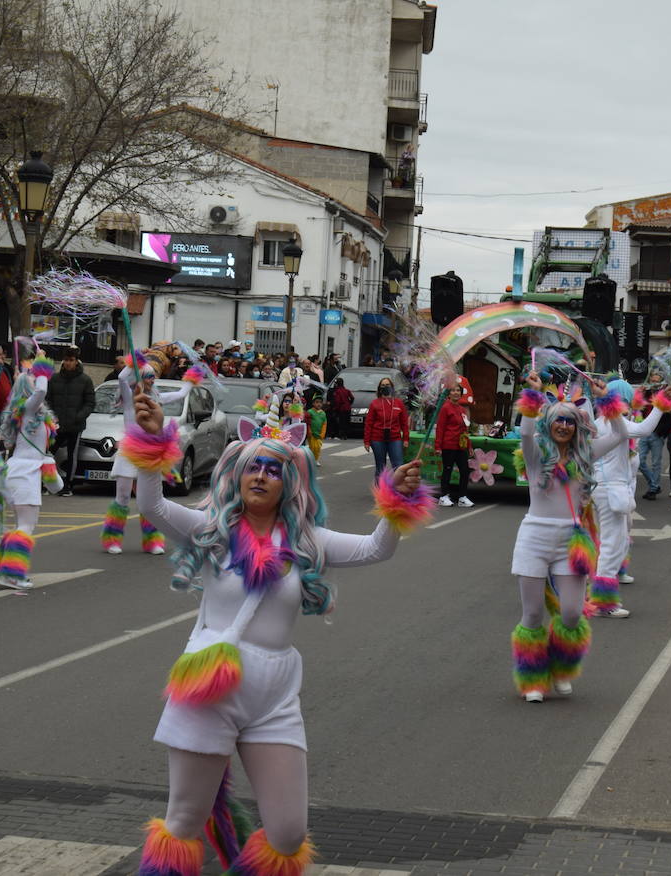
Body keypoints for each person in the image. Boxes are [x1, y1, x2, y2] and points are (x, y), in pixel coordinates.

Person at [127, 382, 429, 876]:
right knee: (185, 818)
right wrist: (151, 441)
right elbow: (153, 506)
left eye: (274, 469)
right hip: (210, 685)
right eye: (254, 467)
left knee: (288, 833)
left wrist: (397, 498)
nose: (263, 475)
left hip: (274, 694)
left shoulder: (309, 542)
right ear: (238, 475)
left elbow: (377, 549)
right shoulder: (212, 530)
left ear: (289, 483)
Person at [509, 373, 618, 703]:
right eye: (558, 420)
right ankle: (532, 679)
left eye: (570, 421)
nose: (564, 426)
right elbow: (526, 430)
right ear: (549, 424)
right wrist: (532, 392)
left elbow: (622, 433)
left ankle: (561, 669)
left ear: (577, 426)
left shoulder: (586, 456)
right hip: (534, 538)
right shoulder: (535, 456)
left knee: (571, 614)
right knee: (532, 615)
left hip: (570, 542)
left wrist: (607, 401)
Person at [585, 380, 671, 619]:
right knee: (613, 546)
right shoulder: (612, 423)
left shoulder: (600, 422)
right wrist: (660, 405)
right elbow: (644, 430)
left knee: (610, 543)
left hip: (604, 488)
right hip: (611, 489)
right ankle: (602, 602)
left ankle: (591, 590)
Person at [99, 353, 190, 558]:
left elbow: (181, 393)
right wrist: (134, 363)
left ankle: (152, 541)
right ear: (139, 378)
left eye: (152, 376)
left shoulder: (156, 398)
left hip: (148, 453)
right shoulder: (130, 397)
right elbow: (122, 377)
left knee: (147, 500)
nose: (151, 380)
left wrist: (191, 379)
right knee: (122, 496)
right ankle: (112, 539)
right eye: (147, 376)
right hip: (129, 451)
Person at [0, 352, 58, 589]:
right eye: (30, 376)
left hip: (23, 472)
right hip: (24, 473)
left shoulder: (34, 414)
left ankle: (3, 568)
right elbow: (41, 391)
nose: (35, 378)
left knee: (23, 523)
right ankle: (12, 574)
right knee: (26, 526)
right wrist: (41, 365)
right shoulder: (28, 408)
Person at [47, 347, 95, 496]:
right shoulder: (54, 379)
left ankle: (68, 485)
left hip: (75, 425)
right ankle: (48, 483)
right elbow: (48, 400)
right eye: (66, 360)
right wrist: (52, 417)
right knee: (48, 453)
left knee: (72, 455)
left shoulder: (85, 380)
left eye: (71, 360)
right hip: (57, 425)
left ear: (76, 361)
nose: (68, 363)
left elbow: (90, 402)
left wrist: (78, 416)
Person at [434, 376, 473, 508]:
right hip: (448, 445)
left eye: (458, 391)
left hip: (461, 446)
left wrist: (469, 445)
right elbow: (440, 428)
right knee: (447, 470)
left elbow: (464, 429)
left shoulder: (461, 409)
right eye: (453, 390)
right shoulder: (445, 408)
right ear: (449, 393)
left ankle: (462, 497)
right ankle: (444, 496)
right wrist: (438, 446)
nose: (456, 392)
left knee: (465, 471)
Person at [363, 377, 408, 479]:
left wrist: (406, 438)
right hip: (377, 439)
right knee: (380, 467)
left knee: (398, 466)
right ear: (379, 389)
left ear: (392, 387)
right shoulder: (375, 403)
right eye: (383, 385)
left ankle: (398, 492)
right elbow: (368, 424)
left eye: (387, 385)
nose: (385, 387)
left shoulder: (398, 403)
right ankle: (380, 492)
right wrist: (366, 441)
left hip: (395, 438)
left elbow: (404, 423)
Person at [304, 393, 326, 466]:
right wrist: (309, 430)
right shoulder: (310, 412)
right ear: (313, 403)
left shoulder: (323, 413)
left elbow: (324, 423)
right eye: (317, 402)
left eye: (320, 402)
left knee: (318, 447)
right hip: (312, 433)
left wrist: (323, 433)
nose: (319, 404)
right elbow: (308, 422)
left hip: (319, 434)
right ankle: (311, 459)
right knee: (312, 447)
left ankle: (316, 459)